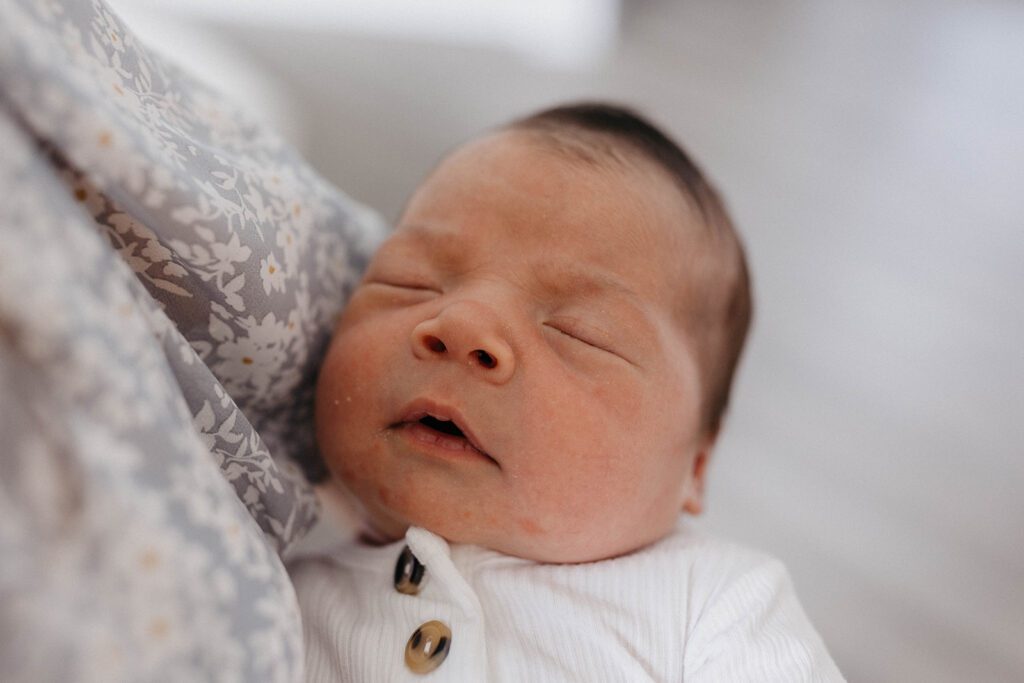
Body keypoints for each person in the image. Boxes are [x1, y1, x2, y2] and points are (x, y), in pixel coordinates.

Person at [288, 103, 844, 681]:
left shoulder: (713, 604)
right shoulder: (269, 586)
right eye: (409, 281)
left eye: (579, 333)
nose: (461, 325)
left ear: (695, 466)